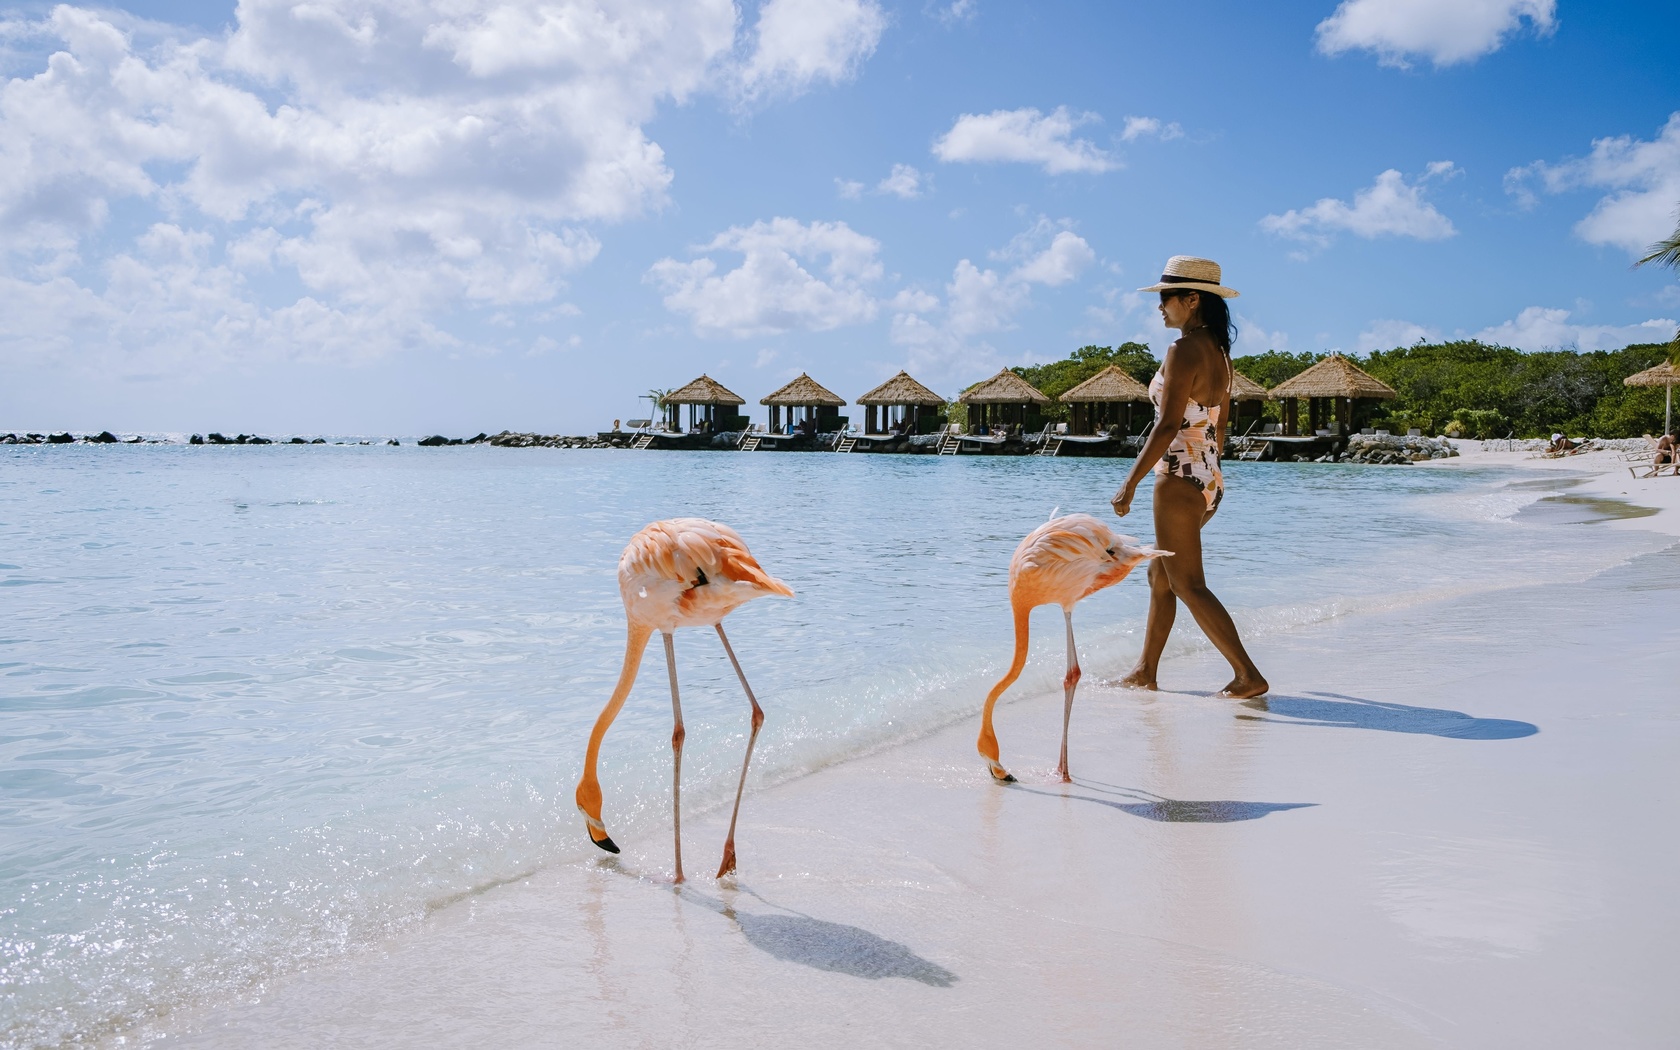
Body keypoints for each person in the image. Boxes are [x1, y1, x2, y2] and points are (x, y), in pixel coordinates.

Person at [1112, 256, 1267, 699]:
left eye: (1166, 298)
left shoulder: (1183, 351)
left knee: (1186, 582)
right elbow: (1219, 423)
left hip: (1179, 474)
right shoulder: (1220, 353)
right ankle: (1145, 670)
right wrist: (1212, 478)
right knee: (1161, 575)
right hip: (1208, 475)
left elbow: (1167, 425)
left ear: (1192, 299)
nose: (1160, 307)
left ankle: (1247, 675)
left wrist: (1131, 482)